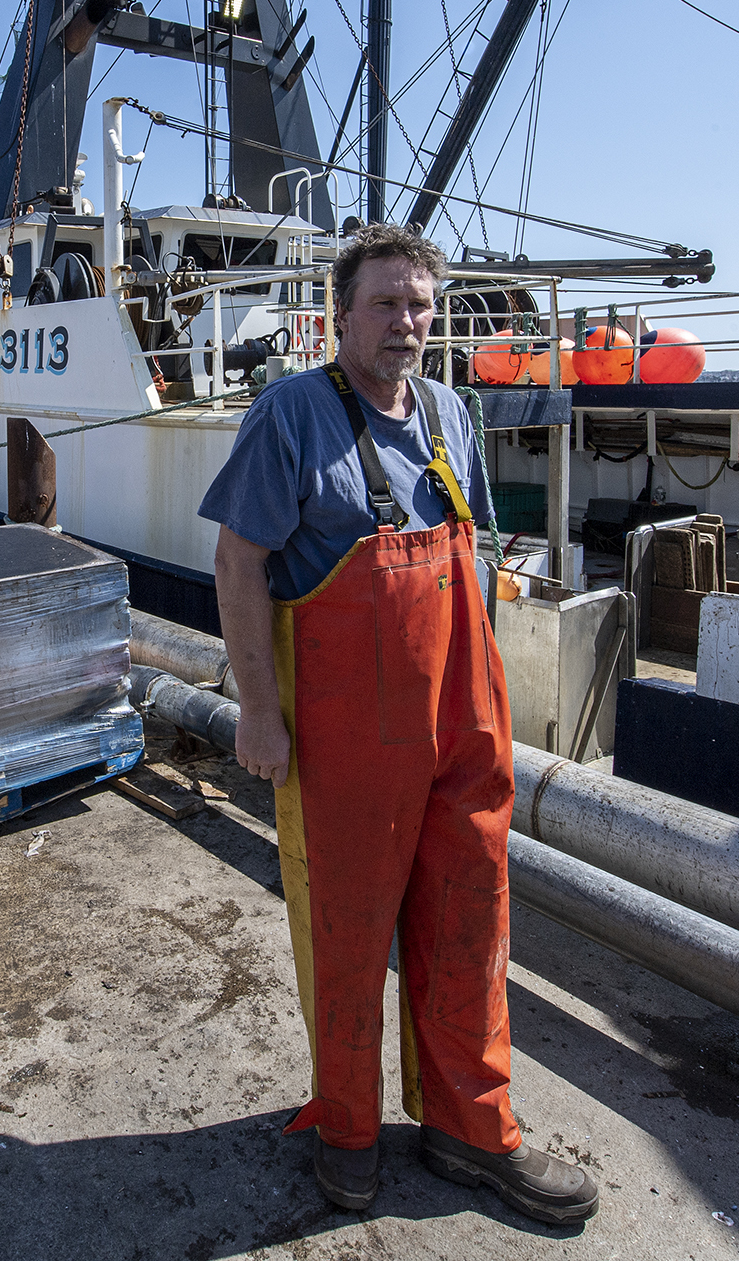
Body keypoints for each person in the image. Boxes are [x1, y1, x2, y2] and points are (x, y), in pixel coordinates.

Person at [197, 222, 598, 1226]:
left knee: (472, 921)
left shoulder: (452, 413)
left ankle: (474, 1128)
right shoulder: (289, 415)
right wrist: (259, 708)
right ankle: (349, 1129)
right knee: (347, 931)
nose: (406, 323)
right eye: (386, 303)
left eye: (421, 304)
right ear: (340, 314)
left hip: (464, 723)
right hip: (348, 733)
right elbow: (239, 564)